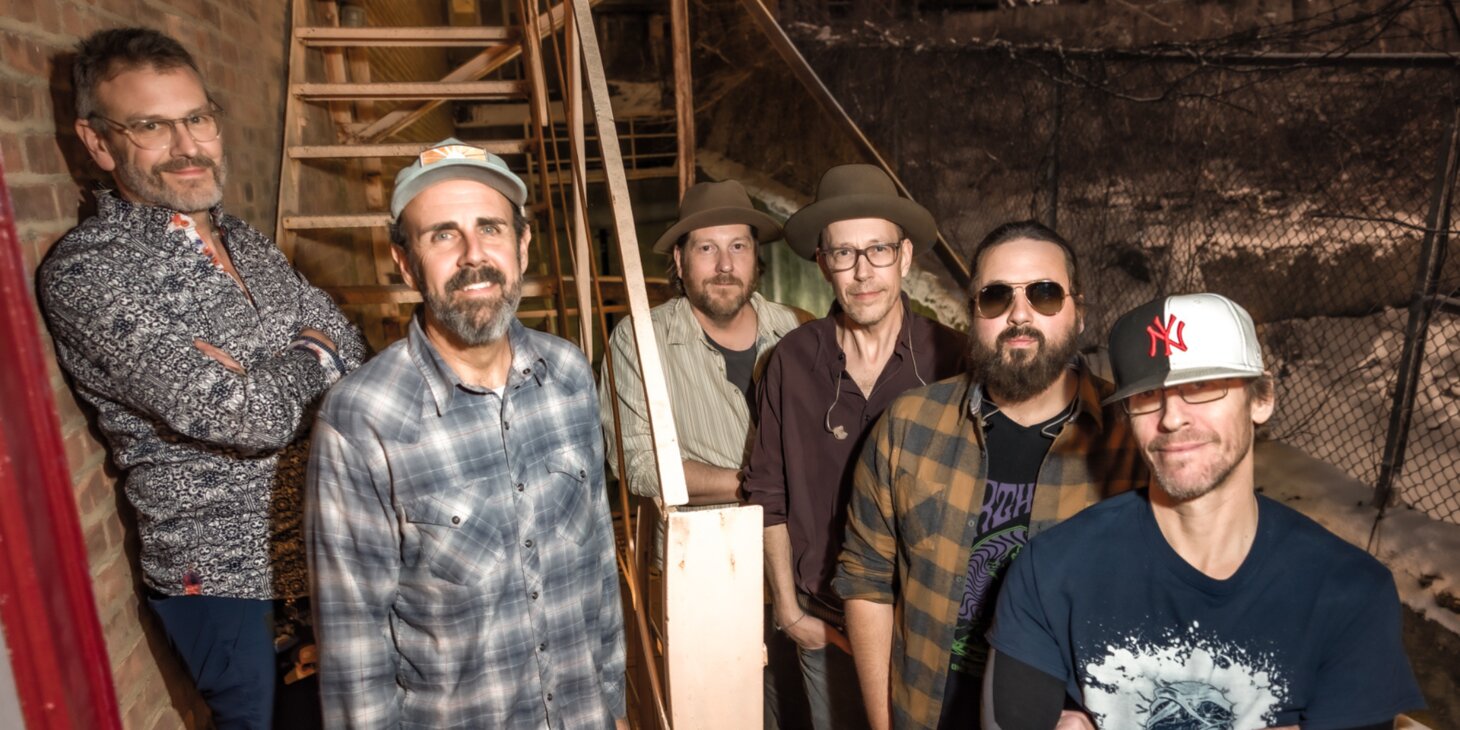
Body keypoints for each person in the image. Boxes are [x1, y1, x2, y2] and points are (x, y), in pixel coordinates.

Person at [38, 27, 363, 729]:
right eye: (151, 126)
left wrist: (282, 367)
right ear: (99, 143)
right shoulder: (91, 272)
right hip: (225, 581)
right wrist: (313, 356)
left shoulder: (245, 239)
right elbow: (247, 417)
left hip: (327, 549)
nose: (187, 145)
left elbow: (352, 346)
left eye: (197, 118)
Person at [985, 293, 1426, 729]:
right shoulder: (1054, 569)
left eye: (1201, 386)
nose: (1172, 418)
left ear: (1261, 398)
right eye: (1148, 395)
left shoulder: (1349, 594)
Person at [306, 139, 625, 728]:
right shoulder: (360, 419)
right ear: (405, 264)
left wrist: (614, 706)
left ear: (522, 246)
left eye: (491, 228)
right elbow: (355, 651)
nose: (474, 255)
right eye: (442, 235)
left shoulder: (569, 375)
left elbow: (600, 565)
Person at [833, 222, 1149, 729]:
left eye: (1044, 294)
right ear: (972, 314)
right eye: (996, 296)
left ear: (1079, 313)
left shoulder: (1134, 440)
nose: (1019, 314)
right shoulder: (909, 425)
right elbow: (866, 578)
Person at [743, 164, 968, 730]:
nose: (863, 271)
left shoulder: (953, 360)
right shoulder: (791, 361)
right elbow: (766, 491)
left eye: (878, 250)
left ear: (905, 257)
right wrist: (789, 611)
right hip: (825, 623)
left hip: (931, 633)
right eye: (844, 253)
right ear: (823, 263)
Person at [599, 179, 810, 727]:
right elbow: (639, 465)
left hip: (801, 565)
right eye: (706, 248)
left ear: (755, 257)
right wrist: (758, 485)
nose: (724, 265)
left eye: (738, 246)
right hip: (704, 573)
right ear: (679, 259)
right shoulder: (639, 341)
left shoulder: (797, 331)